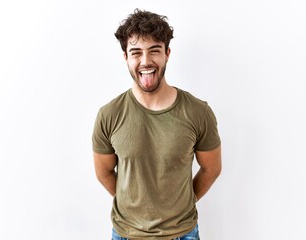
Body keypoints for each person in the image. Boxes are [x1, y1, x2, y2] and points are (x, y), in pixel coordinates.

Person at [92, 9, 222, 240]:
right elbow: (103, 172)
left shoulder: (198, 112)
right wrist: (134, 205)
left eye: (154, 50)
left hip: (183, 234)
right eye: (136, 52)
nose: (145, 61)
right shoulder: (109, 115)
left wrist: (181, 204)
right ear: (126, 58)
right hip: (126, 234)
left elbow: (211, 168)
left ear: (167, 53)